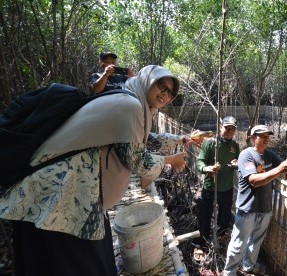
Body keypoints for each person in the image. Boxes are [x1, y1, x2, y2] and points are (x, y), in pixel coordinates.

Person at [0, 65, 185, 276]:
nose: (165, 94)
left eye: (170, 92)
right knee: (82, 266)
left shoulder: (132, 101)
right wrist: (171, 161)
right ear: (146, 81)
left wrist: (179, 139)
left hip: (73, 194)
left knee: (69, 261)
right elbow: (135, 160)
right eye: (161, 85)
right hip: (62, 195)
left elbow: (139, 139)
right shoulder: (131, 106)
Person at [222, 125, 287, 276]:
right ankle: (229, 272)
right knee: (238, 243)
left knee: (255, 241)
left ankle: (248, 266)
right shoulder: (246, 155)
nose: (266, 139)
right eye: (262, 136)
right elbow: (254, 180)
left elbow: (284, 167)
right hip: (247, 208)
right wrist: (280, 170)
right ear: (252, 138)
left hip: (265, 208)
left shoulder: (269, 155)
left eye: (267, 136)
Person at [192, 116, 240, 261]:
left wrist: (236, 163)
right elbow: (200, 161)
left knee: (225, 215)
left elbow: (238, 161)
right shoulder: (210, 143)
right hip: (210, 187)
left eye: (233, 129)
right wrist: (207, 168)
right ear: (220, 126)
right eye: (227, 128)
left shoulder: (235, 146)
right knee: (204, 215)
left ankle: (221, 236)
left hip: (226, 187)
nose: (230, 131)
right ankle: (199, 244)